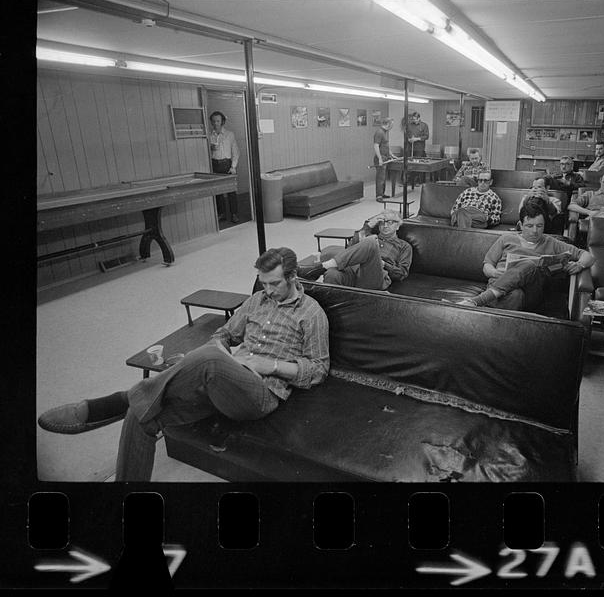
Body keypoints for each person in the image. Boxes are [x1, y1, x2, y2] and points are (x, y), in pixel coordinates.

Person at [37, 248, 330, 482]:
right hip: (220, 379)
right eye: (263, 283)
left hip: (260, 395)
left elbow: (318, 369)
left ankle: (118, 401)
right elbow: (224, 334)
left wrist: (269, 365)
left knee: (206, 360)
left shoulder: (310, 314)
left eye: (274, 283)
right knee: (142, 418)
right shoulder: (256, 301)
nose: (267, 290)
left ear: (293, 278)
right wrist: (220, 349)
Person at [457, 205, 594, 311]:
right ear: (520, 225)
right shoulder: (506, 239)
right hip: (500, 285)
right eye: (529, 226)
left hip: (531, 292)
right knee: (516, 295)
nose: (535, 231)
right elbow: (487, 266)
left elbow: (589, 256)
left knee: (528, 265)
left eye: (539, 226)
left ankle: (477, 301)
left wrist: (580, 265)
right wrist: (495, 272)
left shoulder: (552, 242)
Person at [298, 210, 412, 290]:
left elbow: (402, 273)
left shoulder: (404, 246)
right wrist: (368, 226)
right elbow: (349, 249)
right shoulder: (368, 234)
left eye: (390, 222)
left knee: (371, 241)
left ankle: (320, 268)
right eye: (382, 222)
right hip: (353, 271)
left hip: (375, 276)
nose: (385, 226)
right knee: (332, 274)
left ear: (398, 226)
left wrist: (383, 263)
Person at [209, 110, 241, 223]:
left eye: (218, 121)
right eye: (213, 121)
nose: (215, 123)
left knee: (231, 191)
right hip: (214, 164)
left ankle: (234, 214)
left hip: (226, 164)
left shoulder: (229, 134)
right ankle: (221, 213)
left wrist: (233, 166)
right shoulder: (209, 135)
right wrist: (209, 149)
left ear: (222, 121)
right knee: (217, 191)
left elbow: (236, 152)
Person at [373, 117, 399, 202]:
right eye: (392, 124)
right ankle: (379, 196)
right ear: (388, 124)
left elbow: (385, 145)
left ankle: (382, 193)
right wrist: (380, 159)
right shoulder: (379, 132)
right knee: (380, 178)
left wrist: (391, 154)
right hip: (381, 158)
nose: (392, 126)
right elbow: (376, 146)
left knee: (383, 177)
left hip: (385, 157)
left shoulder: (385, 132)